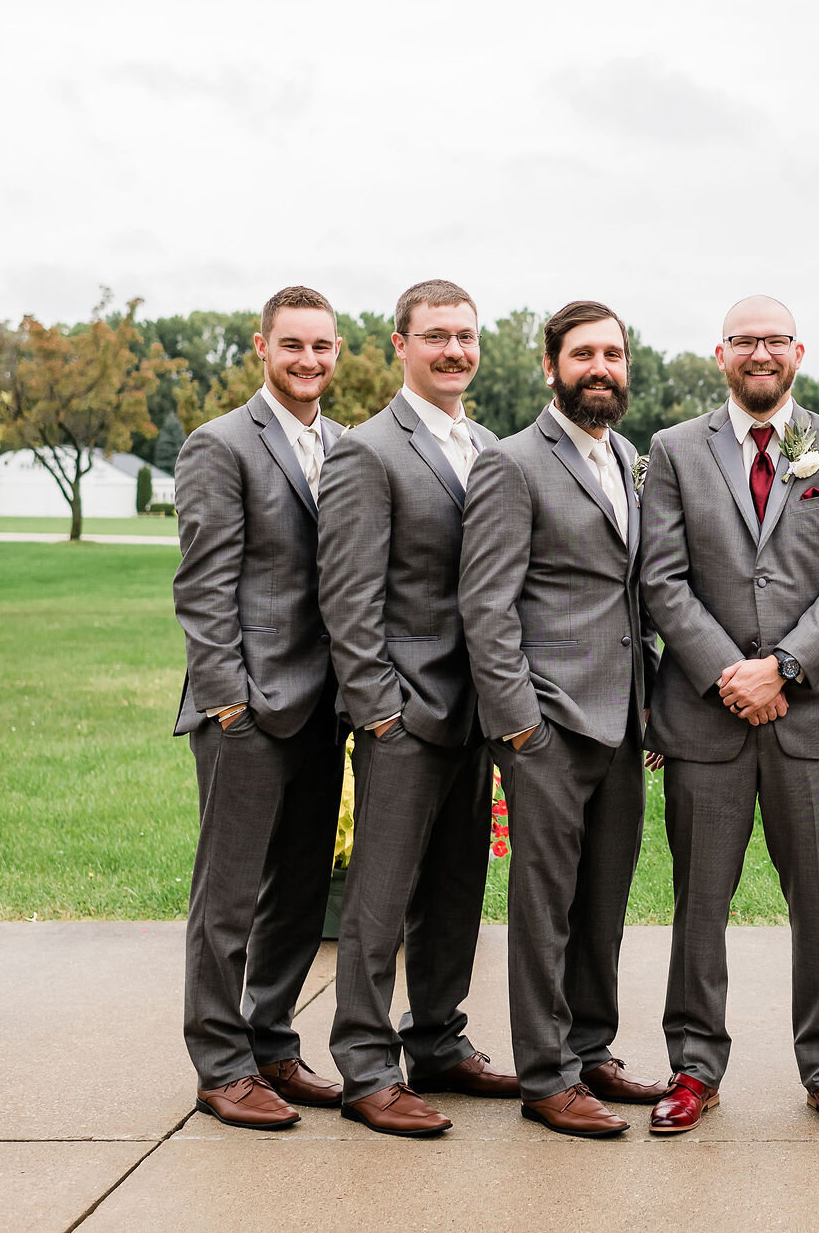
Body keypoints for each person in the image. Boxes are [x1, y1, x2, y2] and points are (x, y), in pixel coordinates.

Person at [638, 295, 819, 1136]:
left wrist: (783, 668)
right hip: (705, 721)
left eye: (775, 339)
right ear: (720, 354)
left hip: (812, 719)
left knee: (818, 900)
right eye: (746, 340)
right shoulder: (671, 450)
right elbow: (661, 577)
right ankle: (693, 1066)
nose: (761, 352)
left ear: (798, 351)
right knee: (699, 902)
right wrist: (726, 676)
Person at [458, 300, 669, 1138]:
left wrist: (650, 709)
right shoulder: (513, 463)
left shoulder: (626, 455)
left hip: (621, 725)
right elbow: (487, 603)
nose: (601, 367)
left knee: (603, 902)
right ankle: (546, 1075)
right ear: (551, 366)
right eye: (583, 354)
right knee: (544, 907)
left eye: (613, 354)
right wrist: (518, 728)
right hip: (546, 723)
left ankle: (591, 1049)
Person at [318, 279, 518, 1137]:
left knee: (456, 891)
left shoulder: (489, 445)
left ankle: (436, 1039)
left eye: (465, 336)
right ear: (399, 343)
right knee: (380, 901)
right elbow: (348, 595)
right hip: (404, 714)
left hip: (478, 713)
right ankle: (366, 1065)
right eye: (435, 335)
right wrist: (381, 712)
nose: (454, 351)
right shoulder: (369, 451)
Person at [172, 285, 350, 1130]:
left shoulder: (348, 446)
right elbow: (203, 587)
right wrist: (226, 704)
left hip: (323, 706)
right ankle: (219, 1062)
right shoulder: (219, 446)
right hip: (245, 707)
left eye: (321, 346)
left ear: (339, 351)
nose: (307, 360)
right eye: (293, 346)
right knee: (229, 893)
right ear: (262, 347)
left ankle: (273, 1041)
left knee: (300, 887)